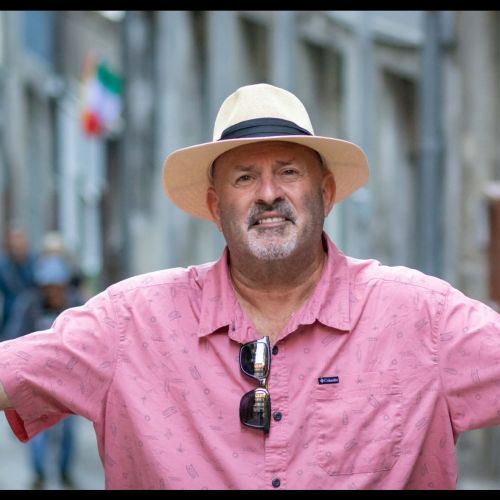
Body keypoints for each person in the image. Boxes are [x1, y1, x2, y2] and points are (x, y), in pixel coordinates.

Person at [0, 82, 499, 490]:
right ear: (216, 207)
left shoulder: (421, 317)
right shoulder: (131, 322)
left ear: (326, 194)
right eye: (244, 178)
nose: (268, 194)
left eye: (288, 172)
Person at [3, 254, 84, 489]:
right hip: (35, 380)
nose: (53, 292)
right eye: (48, 287)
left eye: (57, 286)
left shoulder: (77, 305)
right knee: (37, 428)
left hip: (68, 382)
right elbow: (13, 336)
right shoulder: (29, 305)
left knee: (68, 430)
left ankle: (64, 471)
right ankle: (39, 474)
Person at [0, 227, 37, 341]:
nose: (17, 245)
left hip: (31, 318)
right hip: (9, 319)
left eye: (20, 241)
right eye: (14, 242)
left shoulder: (35, 263)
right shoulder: (3, 267)